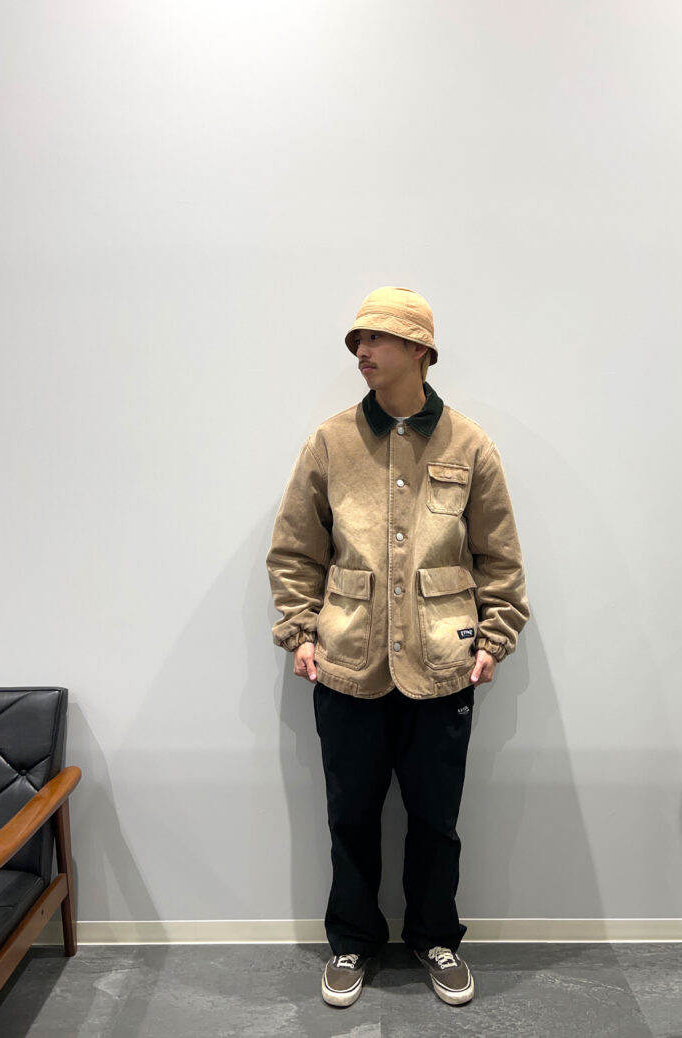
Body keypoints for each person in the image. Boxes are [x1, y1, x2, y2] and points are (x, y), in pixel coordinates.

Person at [266, 286, 530, 1007]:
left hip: (445, 663)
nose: (362, 350)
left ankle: (435, 937)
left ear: (419, 349)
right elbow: (295, 551)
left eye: (377, 337)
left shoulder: (469, 444)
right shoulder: (331, 442)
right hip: (345, 661)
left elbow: (499, 557)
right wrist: (300, 629)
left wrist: (495, 637)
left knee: (436, 819)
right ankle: (352, 942)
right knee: (349, 815)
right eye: (357, 340)